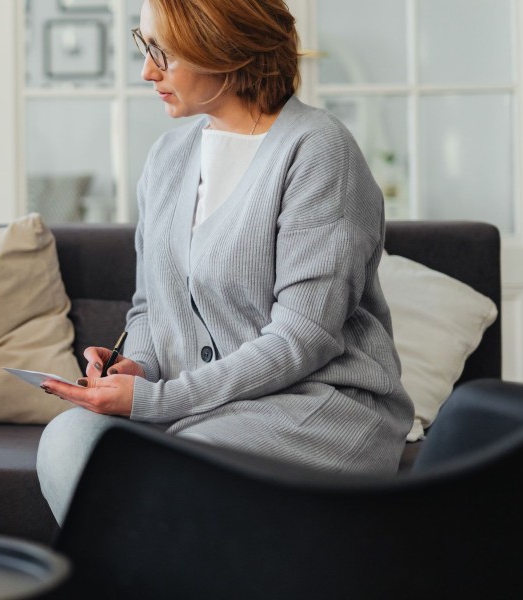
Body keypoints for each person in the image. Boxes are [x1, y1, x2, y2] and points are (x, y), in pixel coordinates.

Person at [36, 0, 414, 524]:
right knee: (69, 438)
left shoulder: (319, 150)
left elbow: (302, 338)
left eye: (163, 54)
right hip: (201, 407)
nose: (148, 71)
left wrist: (154, 400)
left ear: (225, 50)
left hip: (312, 407)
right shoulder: (167, 158)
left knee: (182, 461)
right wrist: (140, 367)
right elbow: (150, 307)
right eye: (145, 47)